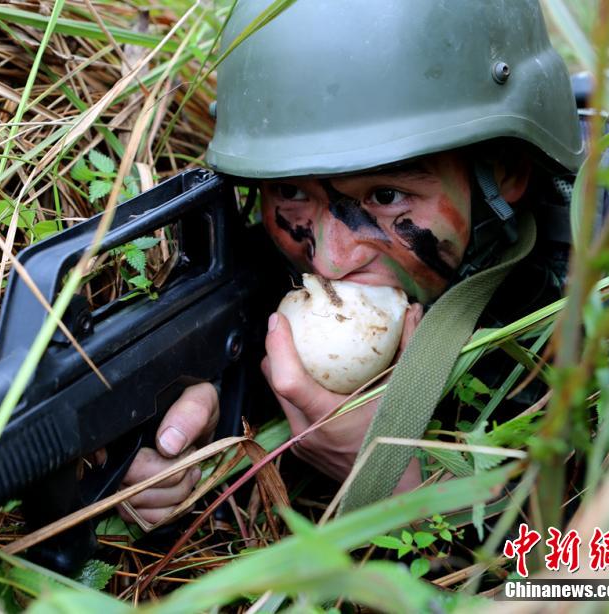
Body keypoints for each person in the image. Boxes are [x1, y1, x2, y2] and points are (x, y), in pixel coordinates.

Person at [119, 0, 584, 525]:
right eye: (290, 192)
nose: (331, 261)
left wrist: (399, 482)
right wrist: (212, 429)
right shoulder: (262, 272)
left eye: (386, 195)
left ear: (503, 176)